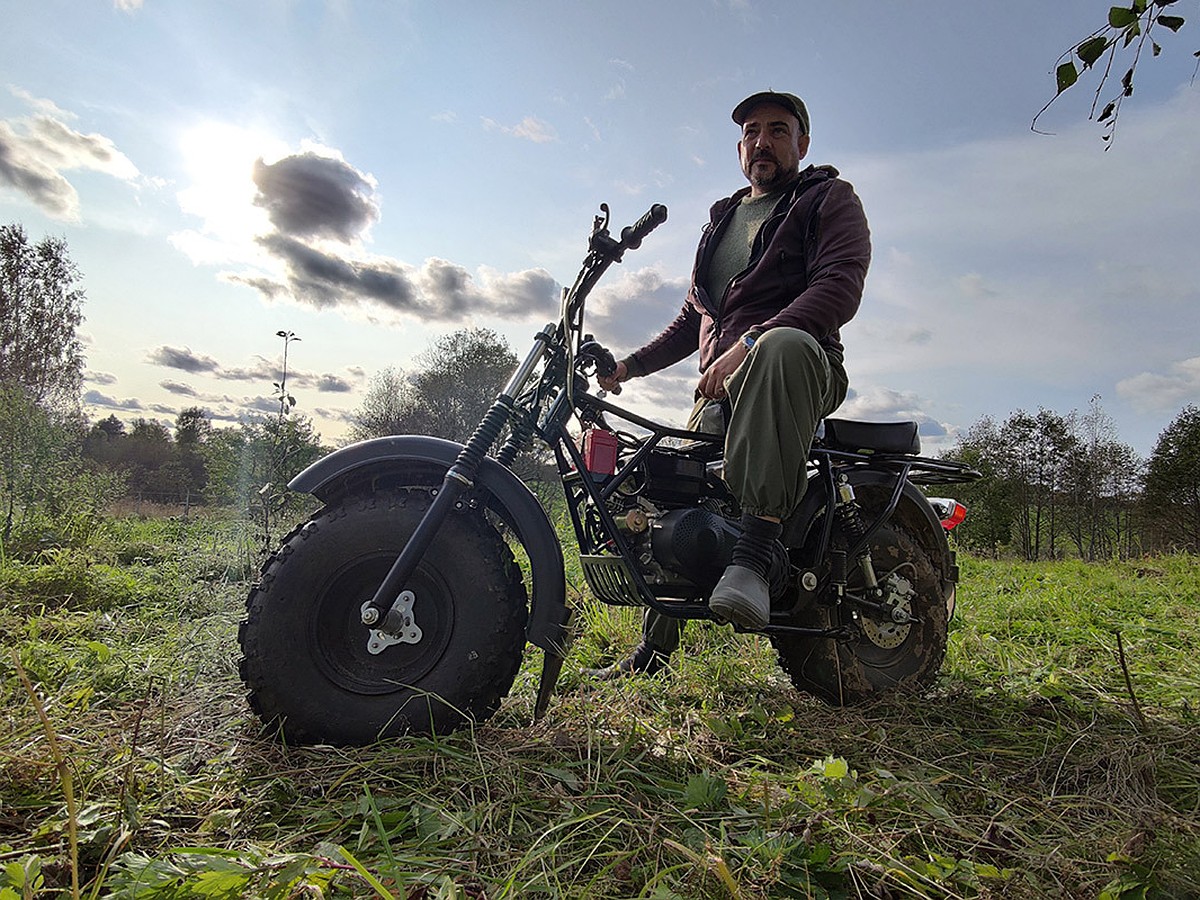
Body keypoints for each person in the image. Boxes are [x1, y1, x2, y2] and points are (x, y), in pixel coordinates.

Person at [587, 90, 872, 678]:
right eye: (751, 132)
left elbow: (839, 286)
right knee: (678, 493)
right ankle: (653, 650)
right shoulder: (722, 220)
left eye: (777, 129)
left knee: (782, 345)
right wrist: (629, 368)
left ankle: (757, 552)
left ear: (802, 143)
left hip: (800, 367)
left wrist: (750, 342)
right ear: (740, 148)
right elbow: (694, 319)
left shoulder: (826, 199)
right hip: (720, 389)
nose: (762, 140)